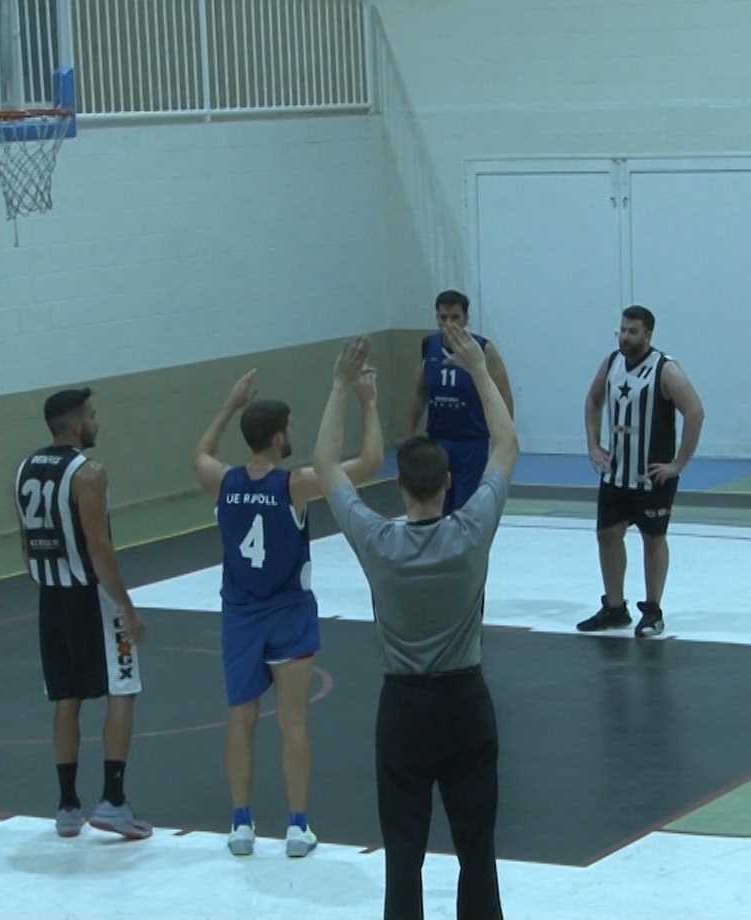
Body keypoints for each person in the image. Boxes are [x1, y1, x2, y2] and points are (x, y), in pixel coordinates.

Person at [317, 328, 518, 920]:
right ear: (449, 482)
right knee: (477, 848)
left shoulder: (378, 541)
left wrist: (340, 387)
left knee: (403, 852)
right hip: (465, 703)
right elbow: (506, 445)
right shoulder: (471, 531)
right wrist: (479, 369)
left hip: (404, 708)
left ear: (400, 486)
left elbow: (325, 465)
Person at [193, 365, 383, 858]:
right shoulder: (295, 486)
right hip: (288, 613)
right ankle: (297, 826)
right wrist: (367, 402)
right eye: (291, 427)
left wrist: (230, 403)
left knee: (240, 719)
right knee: (293, 722)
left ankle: (241, 824)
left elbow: (200, 454)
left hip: (240, 615)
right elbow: (369, 463)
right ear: (279, 437)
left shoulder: (223, 481)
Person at [14, 388, 152, 841]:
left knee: (66, 696)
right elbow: (99, 545)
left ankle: (67, 806)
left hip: (50, 597)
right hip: (91, 596)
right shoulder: (89, 473)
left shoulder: (25, 468)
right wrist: (126, 606)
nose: (96, 422)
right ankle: (113, 799)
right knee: (123, 687)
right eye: (92, 415)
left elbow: (25, 543)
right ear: (75, 424)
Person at [576, 305, 706, 638]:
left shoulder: (665, 368)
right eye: (622, 330)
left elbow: (695, 412)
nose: (625, 336)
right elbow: (592, 401)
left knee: (653, 539)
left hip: (652, 475)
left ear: (648, 334)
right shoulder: (611, 363)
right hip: (616, 472)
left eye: (632, 331)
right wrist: (593, 446)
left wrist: (678, 464)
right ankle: (614, 608)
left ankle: (653, 611)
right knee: (607, 535)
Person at [407, 290, 515, 514]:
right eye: (443, 317)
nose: (449, 323)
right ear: (437, 318)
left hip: (471, 443)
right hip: (437, 442)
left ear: (466, 318)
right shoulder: (429, 346)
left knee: (467, 509)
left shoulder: (484, 349)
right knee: (435, 506)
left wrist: (503, 441)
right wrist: (410, 436)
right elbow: (419, 394)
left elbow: (504, 396)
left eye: (455, 317)